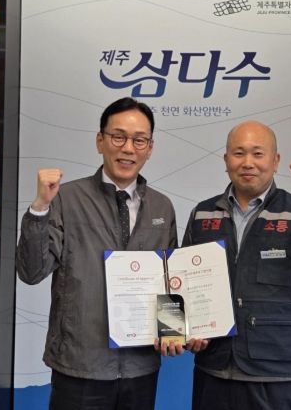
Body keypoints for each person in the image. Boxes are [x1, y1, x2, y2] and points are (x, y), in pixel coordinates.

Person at [16, 97, 178, 410]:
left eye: (139, 140)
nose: (128, 148)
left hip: (141, 367)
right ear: (100, 141)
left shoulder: (162, 206)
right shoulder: (65, 198)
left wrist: (173, 331)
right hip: (80, 365)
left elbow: (170, 279)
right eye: (118, 137)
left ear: (150, 148)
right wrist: (39, 208)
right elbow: (31, 272)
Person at [182, 120, 291, 410]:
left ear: (275, 161)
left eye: (258, 154)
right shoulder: (203, 213)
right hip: (215, 367)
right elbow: (183, 281)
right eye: (238, 153)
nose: (248, 162)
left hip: (278, 371)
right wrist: (184, 331)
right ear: (226, 160)